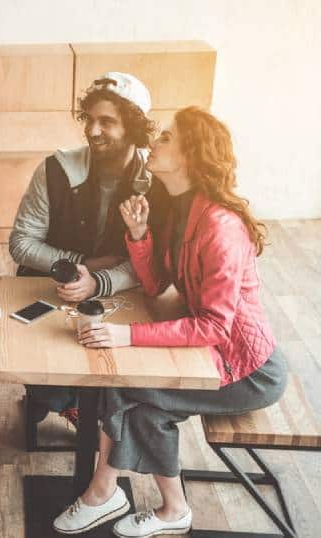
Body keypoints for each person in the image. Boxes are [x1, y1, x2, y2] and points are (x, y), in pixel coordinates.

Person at [53, 107, 288, 537]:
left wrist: (128, 335)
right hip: (207, 352)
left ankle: (102, 492)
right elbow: (159, 286)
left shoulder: (220, 226)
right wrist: (141, 236)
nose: (154, 142)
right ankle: (170, 508)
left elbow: (215, 326)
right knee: (142, 409)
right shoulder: (179, 208)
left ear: (189, 156)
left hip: (246, 370)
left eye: (166, 137)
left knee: (122, 385)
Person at [9, 72, 169, 426]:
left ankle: (82, 408)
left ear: (133, 127)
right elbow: (21, 243)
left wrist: (98, 282)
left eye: (107, 122)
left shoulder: (156, 179)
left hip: (121, 290)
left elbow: (152, 263)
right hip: (50, 285)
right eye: (90, 119)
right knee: (42, 368)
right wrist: (83, 264)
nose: (92, 130)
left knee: (114, 373)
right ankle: (48, 396)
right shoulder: (55, 168)